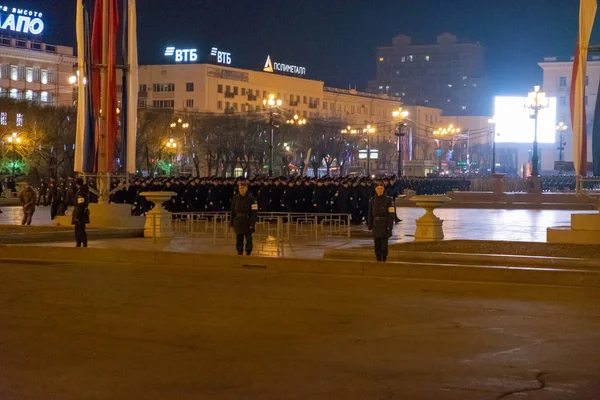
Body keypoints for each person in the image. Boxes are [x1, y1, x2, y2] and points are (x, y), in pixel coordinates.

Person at [368, 182, 395, 262]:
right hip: (376, 224)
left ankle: (384, 258)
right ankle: (378, 258)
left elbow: (391, 214)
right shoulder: (372, 200)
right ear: (375, 190)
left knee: (384, 245)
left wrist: (389, 226)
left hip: (384, 224)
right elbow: (370, 214)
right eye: (378, 189)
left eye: (381, 189)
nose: (380, 190)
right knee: (377, 244)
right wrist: (370, 226)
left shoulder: (388, 200)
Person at [230, 181, 258, 256]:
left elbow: (254, 213)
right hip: (238, 221)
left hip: (247, 220)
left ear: (246, 188)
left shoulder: (252, 199)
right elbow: (232, 211)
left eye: (243, 188)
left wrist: (252, 224)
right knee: (239, 237)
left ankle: (248, 251)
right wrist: (231, 223)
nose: (241, 189)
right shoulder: (235, 198)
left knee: (248, 238)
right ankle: (239, 250)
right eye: (240, 188)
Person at [72, 177, 90, 248]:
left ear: (77, 184)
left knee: (80, 229)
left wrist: (77, 216)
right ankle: (81, 242)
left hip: (80, 214)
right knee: (81, 229)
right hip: (82, 213)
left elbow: (80, 205)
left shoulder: (81, 192)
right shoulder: (83, 190)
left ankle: (80, 243)